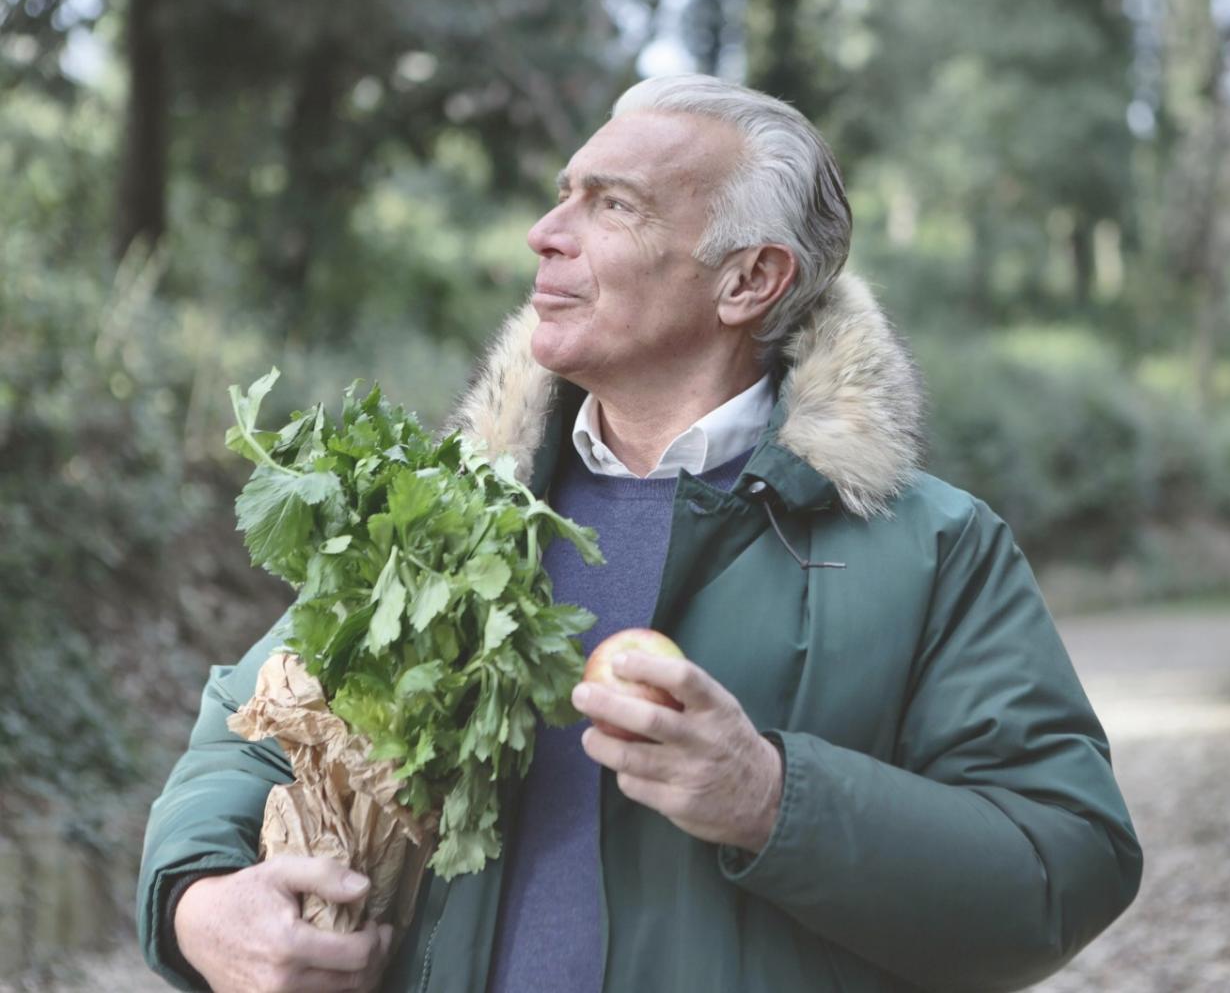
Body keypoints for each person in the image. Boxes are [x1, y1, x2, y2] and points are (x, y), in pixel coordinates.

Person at [139, 74, 1142, 993]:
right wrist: (199, 903)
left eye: (611, 205)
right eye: (563, 194)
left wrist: (771, 798)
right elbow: (250, 730)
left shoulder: (933, 550)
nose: (544, 233)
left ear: (748, 279)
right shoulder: (443, 517)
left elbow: (1064, 863)